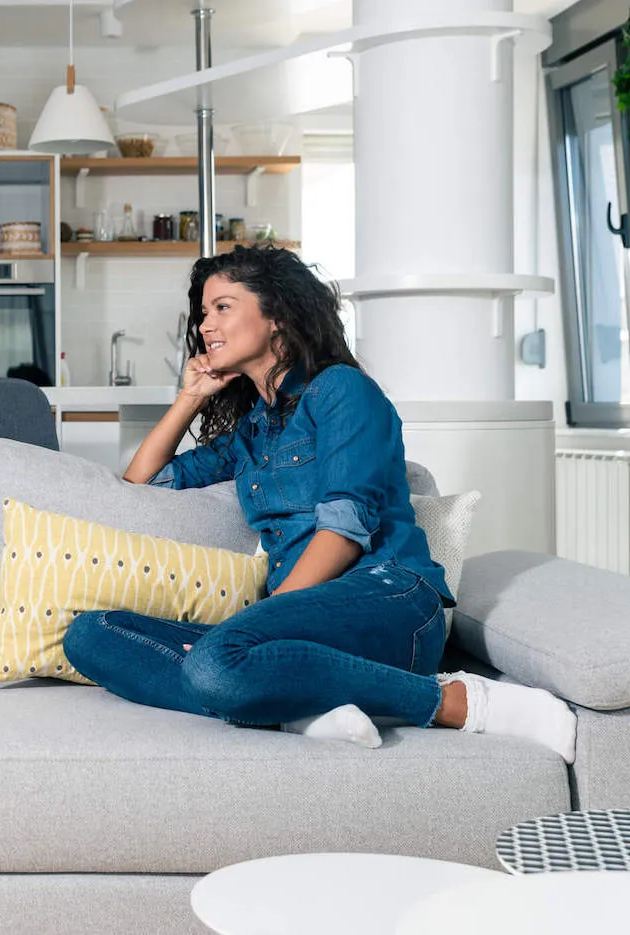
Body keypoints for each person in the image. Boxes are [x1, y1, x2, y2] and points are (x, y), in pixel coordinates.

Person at [61, 245, 576, 762]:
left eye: (222, 307)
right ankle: (296, 704)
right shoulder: (253, 432)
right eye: (202, 313)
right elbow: (144, 481)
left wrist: (258, 624)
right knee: (91, 635)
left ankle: (453, 702)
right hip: (296, 624)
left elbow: (344, 531)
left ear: (277, 316)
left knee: (214, 663)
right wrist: (190, 397)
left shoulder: (342, 392)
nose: (205, 325)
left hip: (387, 600)